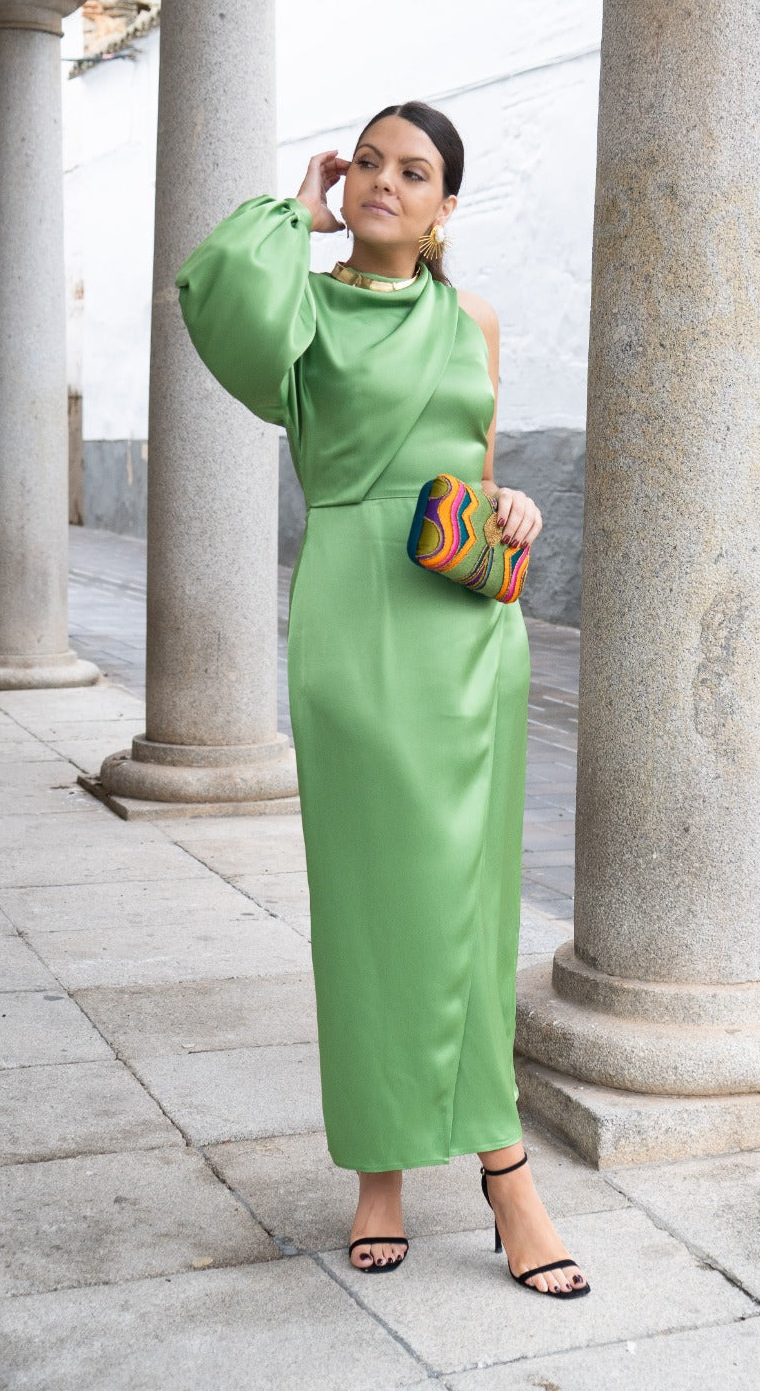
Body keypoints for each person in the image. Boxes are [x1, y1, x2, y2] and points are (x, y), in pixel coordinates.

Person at [175, 99, 589, 1298]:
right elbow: (213, 290)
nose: (383, 183)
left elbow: (478, 473)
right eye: (365, 163)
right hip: (353, 621)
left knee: (470, 908)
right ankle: (380, 1171)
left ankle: (505, 1168)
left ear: (446, 205)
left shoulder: (474, 318)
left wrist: (514, 508)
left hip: (466, 628)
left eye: (412, 172)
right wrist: (294, 216)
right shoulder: (300, 315)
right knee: (369, 907)